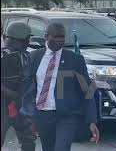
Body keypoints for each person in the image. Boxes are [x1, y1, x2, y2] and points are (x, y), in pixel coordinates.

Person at [22, 23, 100, 151]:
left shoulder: (75, 59)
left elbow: (88, 90)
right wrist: (29, 116)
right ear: (46, 37)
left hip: (67, 116)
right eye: (56, 37)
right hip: (43, 115)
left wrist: (91, 120)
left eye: (62, 37)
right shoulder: (34, 57)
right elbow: (28, 89)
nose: (60, 40)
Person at [1, 22, 36, 151]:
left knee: (28, 140)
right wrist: (13, 94)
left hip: (21, 103)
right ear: (17, 39)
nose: (28, 42)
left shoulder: (26, 55)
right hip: (3, 103)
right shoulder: (3, 56)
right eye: (26, 39)